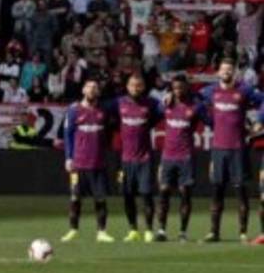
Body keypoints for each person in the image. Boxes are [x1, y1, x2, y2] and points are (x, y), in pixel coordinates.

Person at [194, 58, 264, 242]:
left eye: (229, 69)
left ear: (235, 72)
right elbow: (194, 100)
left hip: (238, 148)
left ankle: (242, 233)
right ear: (218, 72)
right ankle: (213, 232)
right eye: (223, 69)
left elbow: (263, 100)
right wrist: (208, 119)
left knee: (241, 190)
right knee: (217, 190)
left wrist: (259, 121)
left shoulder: (244, 90)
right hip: (218, 149)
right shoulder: (210, 91)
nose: (226, 72)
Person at [155, 73, 209, 242]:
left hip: (186, 157)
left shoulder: (196, 106)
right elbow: (154, 111)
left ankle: (182, 232)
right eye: (175, 87)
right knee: (164, 192)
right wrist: (165, 97)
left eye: (180, 87)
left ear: (187, 87)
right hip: (167, 156)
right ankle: (161, 230)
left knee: (185, 193)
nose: (177, 90)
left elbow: (210, 120)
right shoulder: (166, 104)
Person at [61, 78, 115, 243]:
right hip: (78, 163)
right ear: (83, 90)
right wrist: (68, 157)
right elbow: (68, 135)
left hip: (98, 163)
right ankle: (73, 230)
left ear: (98, 92)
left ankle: (101, 232)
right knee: (75, 197)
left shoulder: (104, 110)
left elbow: (109, 133)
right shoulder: (73, 110)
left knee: (100, 198)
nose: (92, 90)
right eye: (89, 87)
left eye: (95, 87)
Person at [114, 72, 162, 241]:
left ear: (143, 87)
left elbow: (163, 112)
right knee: (127, 195)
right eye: (133, 85)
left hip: (145, 159)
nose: (136, 88)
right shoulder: (119, 103)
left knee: (146, 194)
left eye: (139, 85)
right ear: (127, 86)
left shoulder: (151, 104)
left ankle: (149, 229)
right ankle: (133, 229)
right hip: (126, 159)